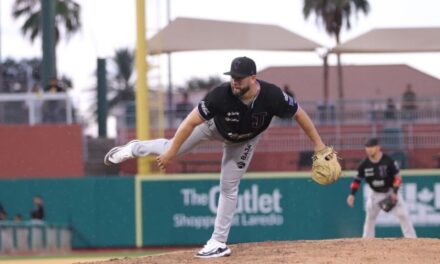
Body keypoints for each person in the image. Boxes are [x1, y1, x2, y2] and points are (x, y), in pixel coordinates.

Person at [104, 56, 327, 258]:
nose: (235, 82)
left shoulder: (272, 95)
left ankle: (218, 242)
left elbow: (299, 114)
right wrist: (172, 153)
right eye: (232, 77)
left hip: (244, 141)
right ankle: (134, 149)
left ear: (253, 78)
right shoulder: (220, 95)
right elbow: (190, 122)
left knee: (228, 186)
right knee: (169, 147)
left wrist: (318, 145)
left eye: (240, 78)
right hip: (212, 128)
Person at [346, 138, 416, 238]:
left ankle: (412, 239)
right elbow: (357, 180)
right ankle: (367, 241)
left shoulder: (388, 161)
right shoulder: (364, 164)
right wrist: (352, 194)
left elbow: (398, 178)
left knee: (403, 215)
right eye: (367, 147)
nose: (369, 149)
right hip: (375, 194)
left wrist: (395, 193)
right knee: (370, 218)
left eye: (371, 147)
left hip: (390, 191)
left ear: (378, 147)